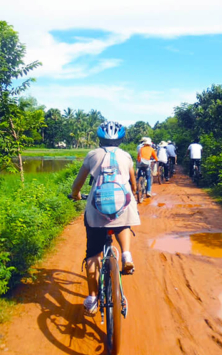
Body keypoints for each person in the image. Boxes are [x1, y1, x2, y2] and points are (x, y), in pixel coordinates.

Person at [71, 121, 140, 316]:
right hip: (122, 207)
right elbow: (133, 183)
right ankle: (126, 254)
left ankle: (93, 298)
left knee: (93, 253)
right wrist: (133, 194)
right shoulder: (126, 156)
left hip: (96, 210)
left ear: (99, 138)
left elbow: (78, 183)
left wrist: (76, 194)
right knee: (124, 223)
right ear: (121, 139)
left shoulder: (92, 155)